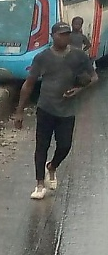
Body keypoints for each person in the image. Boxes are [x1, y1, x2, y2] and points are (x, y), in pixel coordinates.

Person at [15, 22, 98, 200]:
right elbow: (29, 84)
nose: (65, 37)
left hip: (67, 110)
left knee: (65, 145)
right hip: (45, 107)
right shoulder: (42, 58)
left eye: (67, 34)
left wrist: (78, 90)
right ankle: (39, 184)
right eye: (61, 34)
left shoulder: (79, 56)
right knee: (41, 146)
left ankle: (52, 167)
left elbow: (94, 77)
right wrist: (19, 111)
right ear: (53, 36)